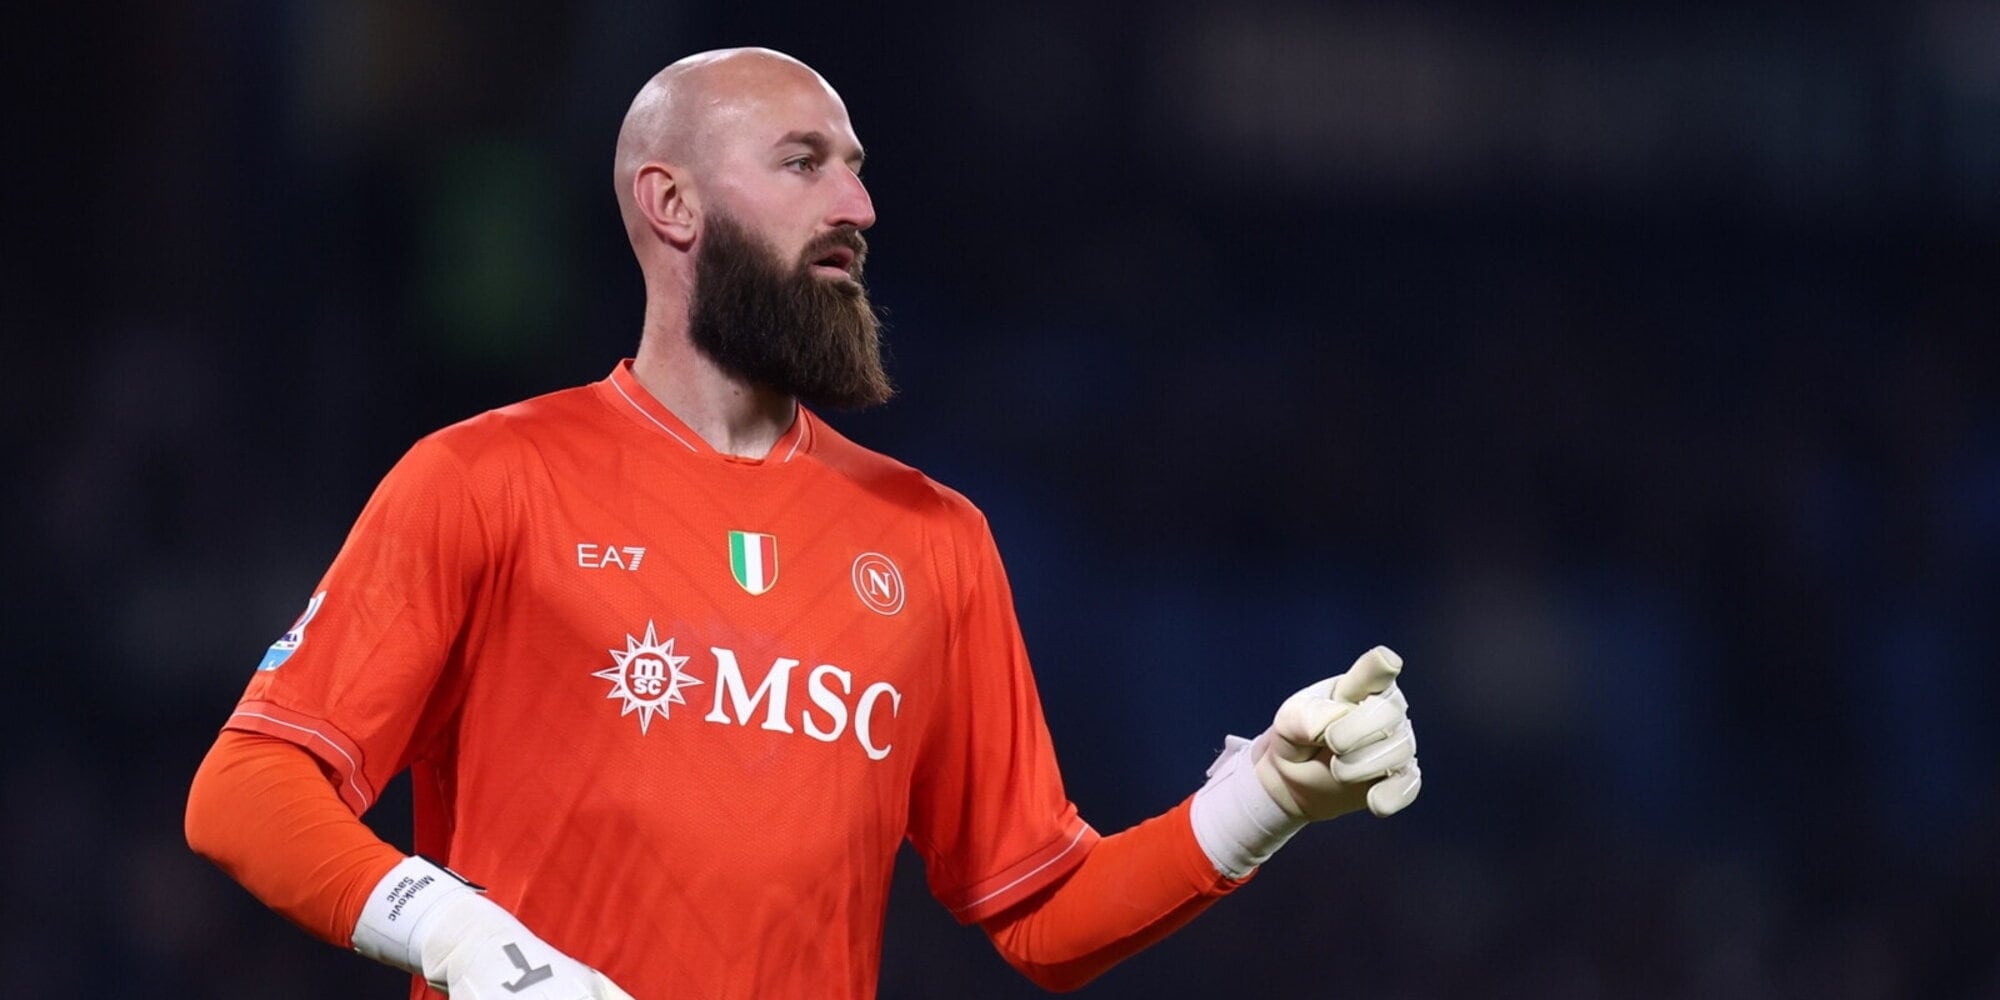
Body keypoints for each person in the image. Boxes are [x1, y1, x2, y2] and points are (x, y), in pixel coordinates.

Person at [184, 47, 1422, 1000]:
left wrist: (1267, 794)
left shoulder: (931, 538)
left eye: (857, 166)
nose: (859, 204)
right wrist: (464, 939)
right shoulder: (484, 479)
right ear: (670, 203)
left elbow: (1041, 907)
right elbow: (247, 788)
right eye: (803, 163)